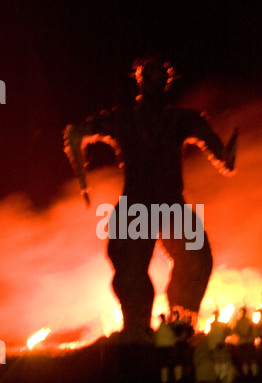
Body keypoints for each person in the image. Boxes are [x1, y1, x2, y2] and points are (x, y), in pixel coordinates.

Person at [63, 56, 238, 342]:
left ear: (162, 84)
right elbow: (77, 133)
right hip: (142, 205)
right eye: (151, 79)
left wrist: (226, 157)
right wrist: (82, 180)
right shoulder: (131, 119)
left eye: (159, 80)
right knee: (134, 270)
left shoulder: (175, 120)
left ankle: (177, 325)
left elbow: (76, 132)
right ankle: (138, 329)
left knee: (195, 261)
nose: (155, 85)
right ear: (142, 82)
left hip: (162, 206)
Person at [207, 310, 234, 383]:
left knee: (218, 363)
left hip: (215, 346)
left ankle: (220, 378)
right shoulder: (219, 325)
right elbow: (230, 332)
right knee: (222, 362)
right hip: (219, 346)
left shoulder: (213, 325)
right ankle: (221, 378)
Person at [233, 307, 258, 377]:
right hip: (247, 342)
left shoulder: (240, 322)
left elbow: (234, 331)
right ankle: (252, 375)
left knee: (247, 360)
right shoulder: (248, 321)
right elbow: (255, 332)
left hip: (243, 343)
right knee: (249, 360)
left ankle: (249, 375)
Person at [154, 314, 177, 383]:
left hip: (162, 349)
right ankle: (172, 380)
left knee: (163, 365)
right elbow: (173, 338)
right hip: (168, 348)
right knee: (168, 365)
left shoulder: (160, 329)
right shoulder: (168, 329)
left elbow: (156, 339)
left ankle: (165, 380)